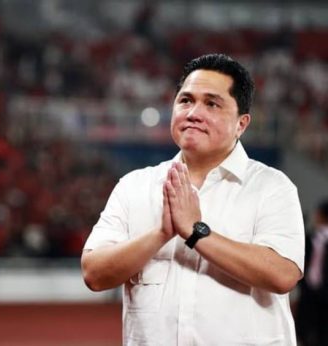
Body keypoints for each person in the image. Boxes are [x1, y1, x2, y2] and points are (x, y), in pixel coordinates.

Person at [81, 54, 304, 344]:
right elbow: (94, 273)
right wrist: (162, 233)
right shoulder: (134, 186)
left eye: (211, 103)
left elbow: (283, 274)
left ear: (242, 124)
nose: (193, 113)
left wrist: (196, 232)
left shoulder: (271, 187)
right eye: (185, 100)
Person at [296, 199, 328, 346]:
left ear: (320, 216)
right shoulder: (308, 238)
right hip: (307, 290)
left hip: (325, 294)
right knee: (302, 330)